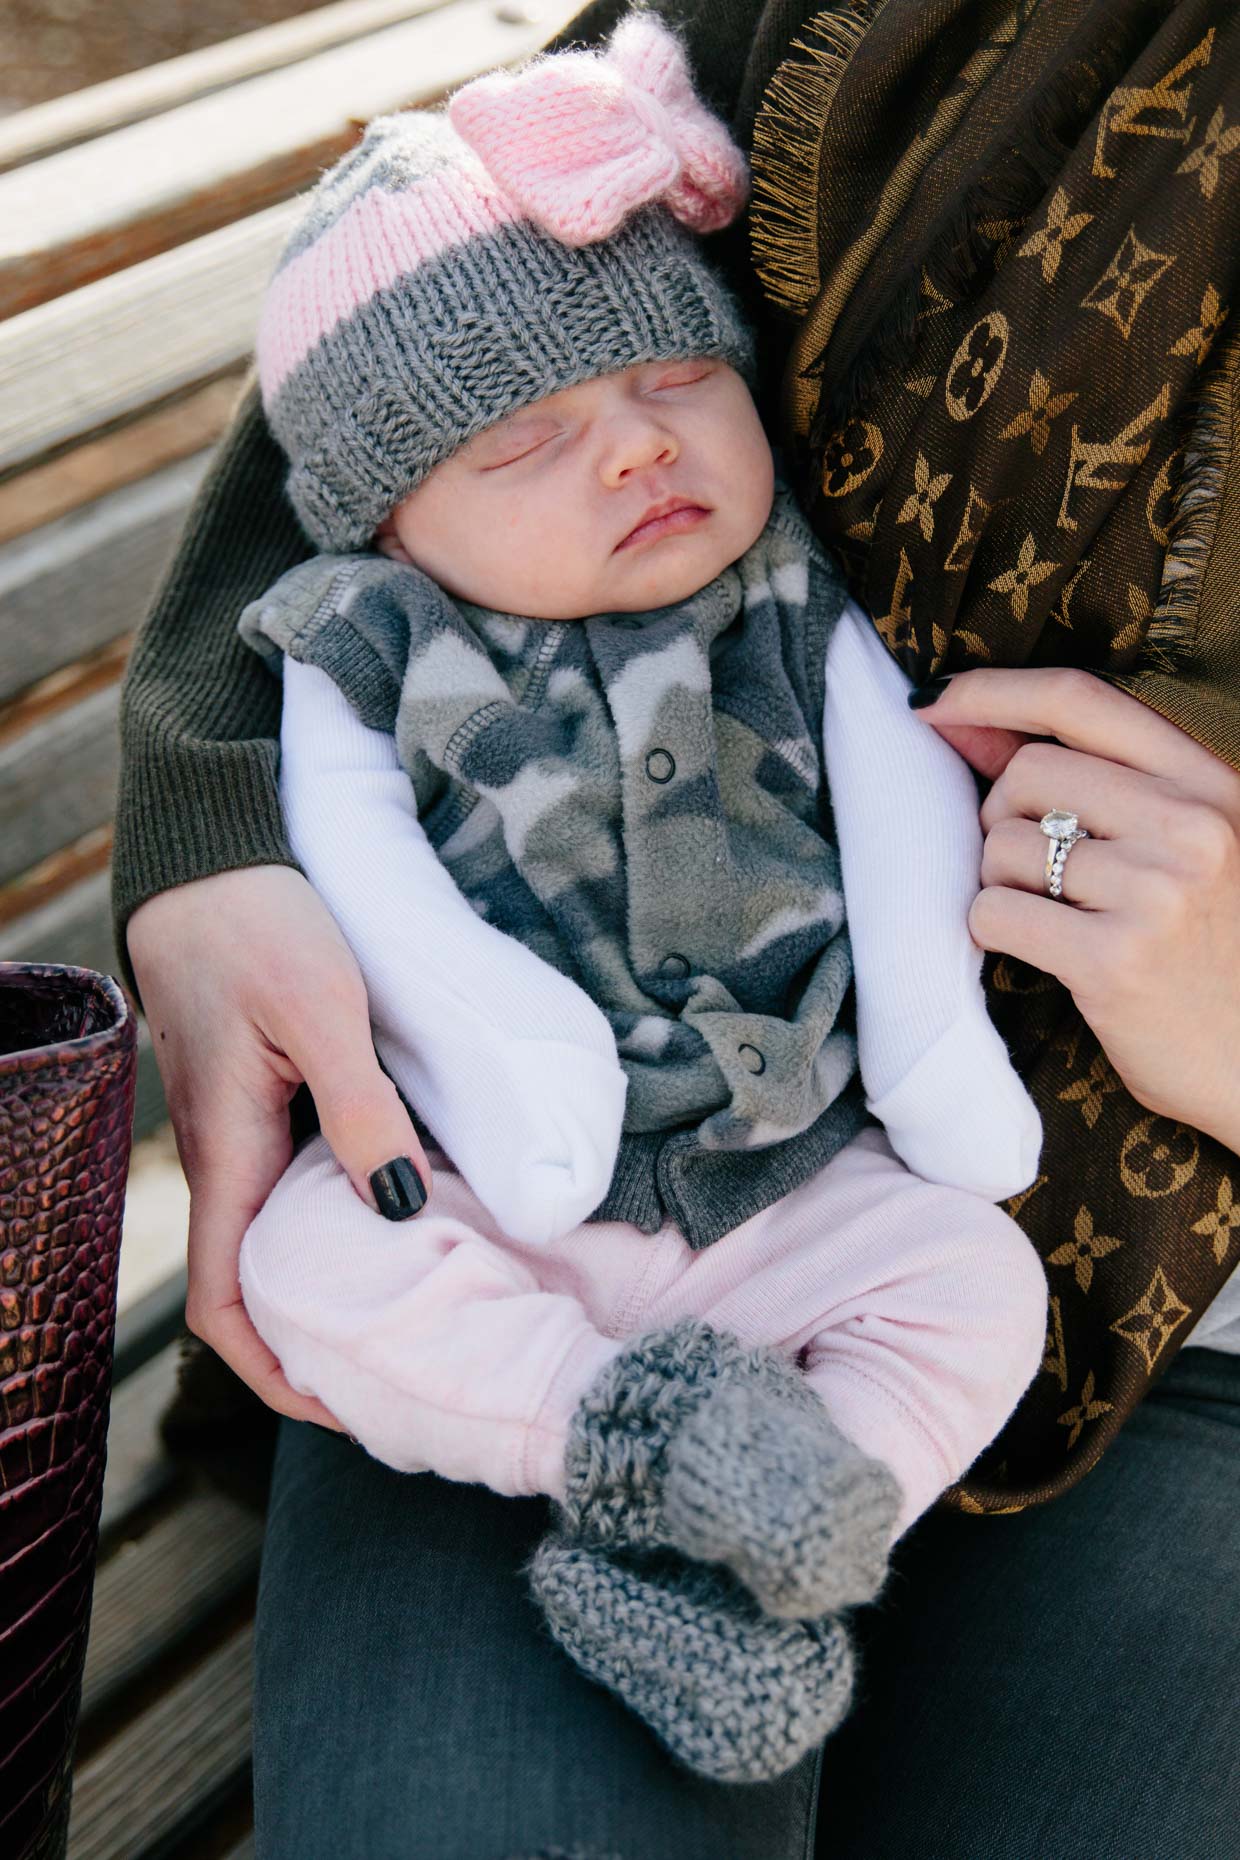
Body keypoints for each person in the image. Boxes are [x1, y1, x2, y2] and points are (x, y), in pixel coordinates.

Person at [116, 0, 1240, 1852]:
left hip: (1163, 1284)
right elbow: (437, 257)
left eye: (660, 394)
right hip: (528, 1226)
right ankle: (649, 1452)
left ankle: (770, 1521)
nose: (632, 452)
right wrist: (216, 827)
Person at [227, 12, 1048, 1784]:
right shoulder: (372, 638)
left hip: (791, 1177)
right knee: (314, 1256)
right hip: (494, 1188)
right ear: (385, 525)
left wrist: (928, 1033)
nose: (632, 452)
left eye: (676, 384)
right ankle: (610, 1431)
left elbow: (911, 809)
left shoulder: (788, 596)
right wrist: (508, 1052)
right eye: (520, 446)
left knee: (979, 1284)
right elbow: (359, 864)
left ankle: (759, 1557)